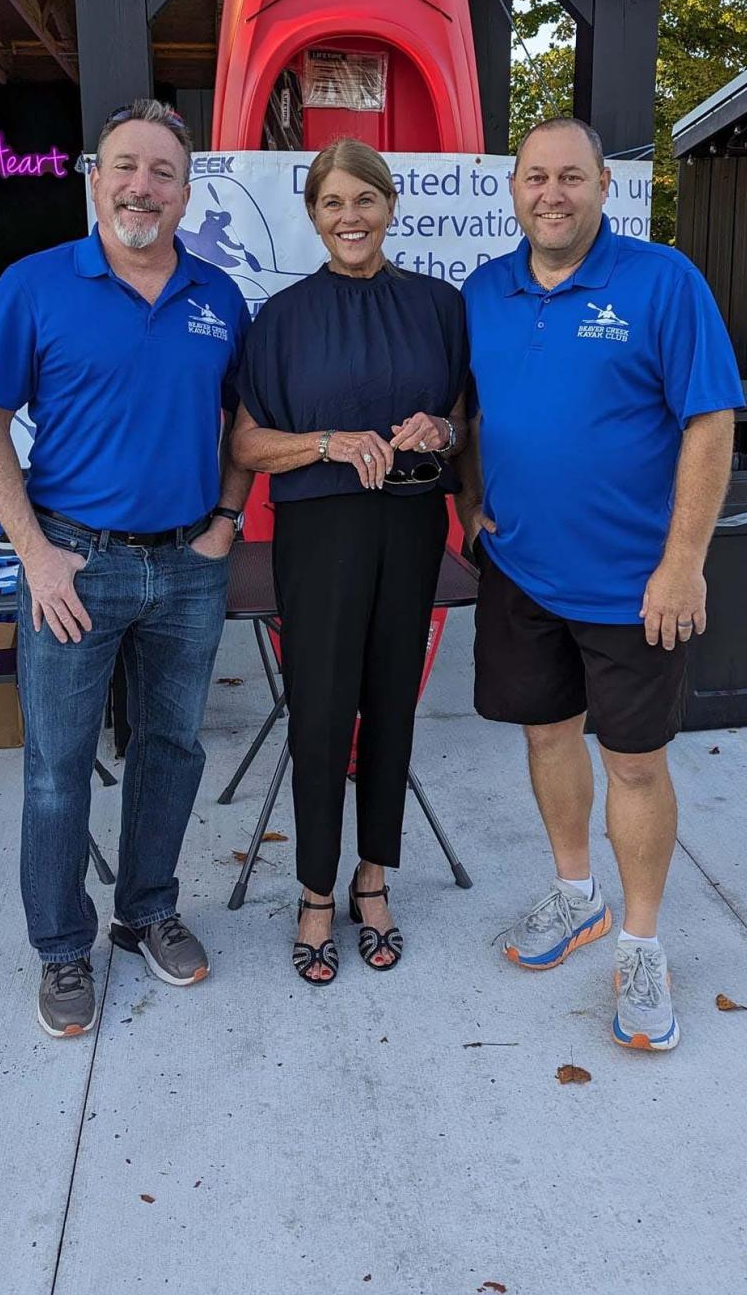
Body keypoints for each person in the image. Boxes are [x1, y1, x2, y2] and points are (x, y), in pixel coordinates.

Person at [0, 99, 251, 1039]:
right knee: (56, 769)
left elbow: (243, 428)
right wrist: (36, 554)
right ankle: (59, 950)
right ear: (95, 178)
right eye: (126, 167)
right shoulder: (36, 286)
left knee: (172, 750)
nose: (143, 186)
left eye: (163, 171)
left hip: (189, 567)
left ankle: (147, 912)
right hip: (73, 568)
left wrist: (225, 523)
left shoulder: (219, 297)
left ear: (186, 188)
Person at [458, 117, 743, 1051]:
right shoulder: (484, 290)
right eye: (536, 177)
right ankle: (575, 893)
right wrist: (471, 501)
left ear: (603, 186)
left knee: (634, 761)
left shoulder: (664, 282)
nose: (553, 194)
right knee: (547, 736)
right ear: (513, 190)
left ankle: (641, 942)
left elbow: (709, 425)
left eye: (571, 177)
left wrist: (683, 563)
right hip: (521, 571)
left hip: (635, 585)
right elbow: (472, 412)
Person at [231, 138, 468, 984]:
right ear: (313, 216)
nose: (350, 218)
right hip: (319, 531)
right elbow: (249, 443)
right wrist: (327, 441)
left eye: (363, 200)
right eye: (333, 203)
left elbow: (466, 421)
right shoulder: (282, 319)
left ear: (390, 206)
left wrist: (440, 431)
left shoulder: (441, 307)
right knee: (322, 711)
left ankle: (374, 879)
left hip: (410, 525)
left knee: (392, 706)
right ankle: (314, 894)